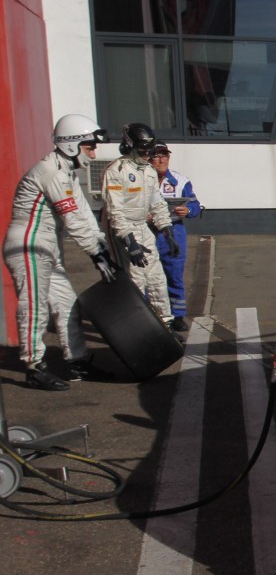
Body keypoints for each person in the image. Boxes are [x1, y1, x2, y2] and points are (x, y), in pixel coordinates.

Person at [3, 114, 117, 390]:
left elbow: (83, 214)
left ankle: (77, 362)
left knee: (68, 305)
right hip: (28, 244)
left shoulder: (65, 171)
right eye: (90, 146)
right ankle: (34, 367)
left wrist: (100, 247)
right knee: (34, 306)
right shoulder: (52, 172)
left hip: (45, 243)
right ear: (71, 145)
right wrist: (95, 253)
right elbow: (73, 220)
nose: (93, 152)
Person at [101, 122, 179, 327]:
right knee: (135, 278)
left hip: (142, 226)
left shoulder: (149, 171)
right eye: (142, 150)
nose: (146, 155)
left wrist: (167, 230)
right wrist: (129, 240)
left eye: (148, 151)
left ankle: (165, 323)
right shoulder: (116, 170)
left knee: (156, 278)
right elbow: (114, 210)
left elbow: (157, 203)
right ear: (129, 146)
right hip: (121, 227)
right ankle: (135, 325)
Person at [149, 142, 202, 332]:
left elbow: (196, 207)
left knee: (174, 277)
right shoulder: (141, 180)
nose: (162, 159)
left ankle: (178, 316)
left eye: (165, 155)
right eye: (157, 155)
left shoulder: (180, 181)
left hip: (173, 233)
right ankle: (151, 315)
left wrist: (187, 209)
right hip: (147, 232)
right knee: (148, 277)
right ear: (149, 158)